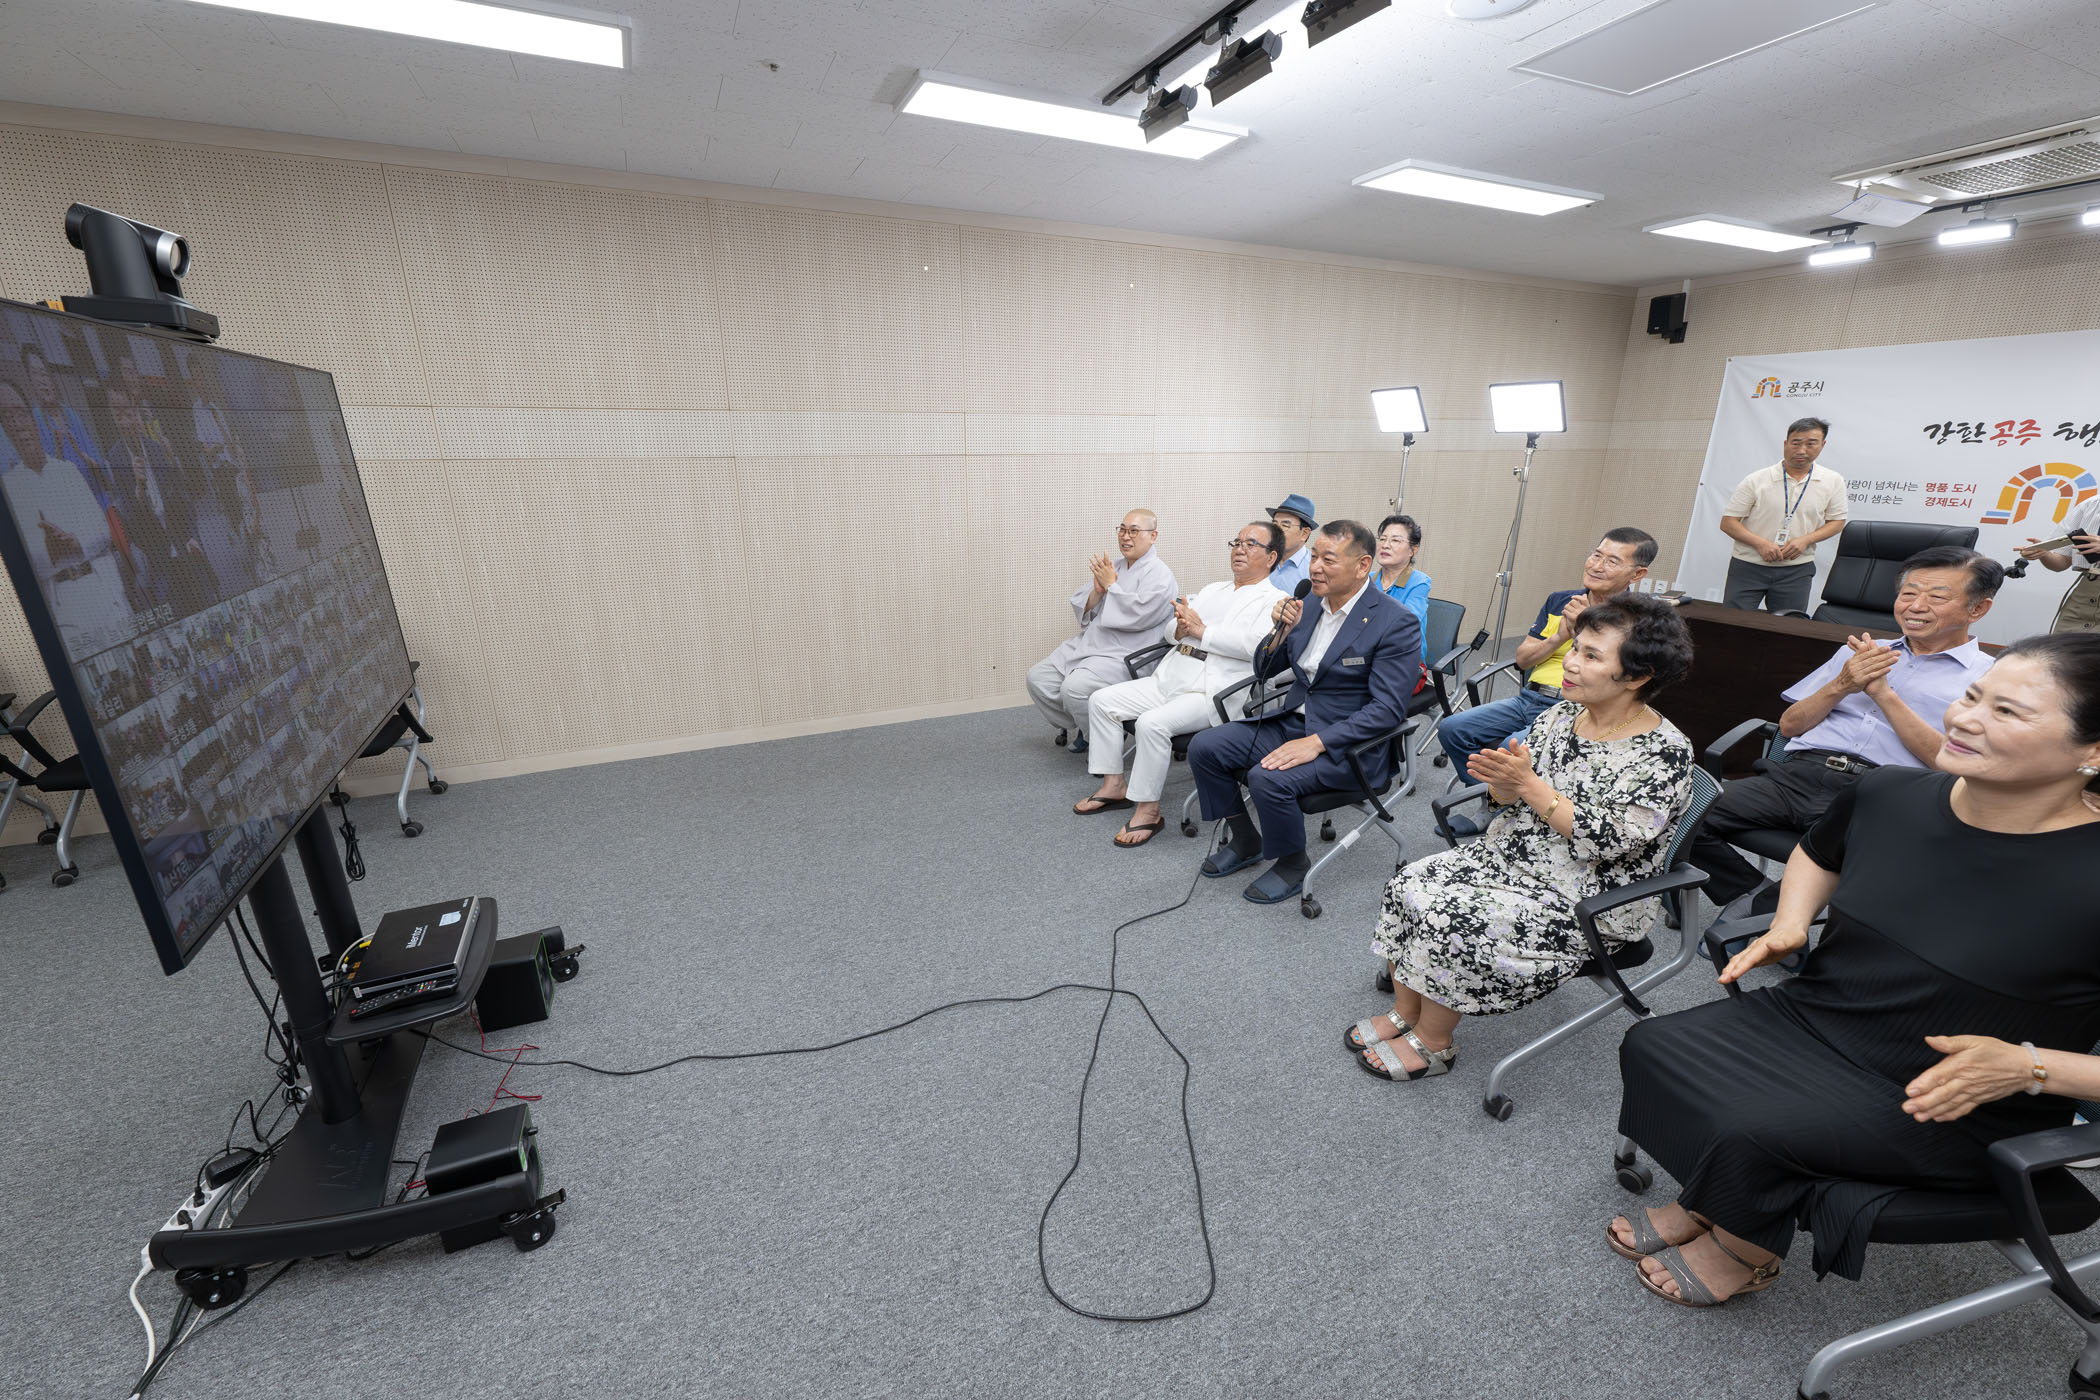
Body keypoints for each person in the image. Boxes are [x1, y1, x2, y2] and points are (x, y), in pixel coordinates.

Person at [1610, 633, 2100, 1305]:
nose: (1964, 718)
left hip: (1950, 1090)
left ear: (2092, 751)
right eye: (1972, 696)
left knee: (1758, 1128)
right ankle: (1713, 1197)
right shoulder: (1892, 793)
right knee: (1654, 1044)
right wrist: (1790, 921)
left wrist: (2029, 1067)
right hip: (1825, 1012)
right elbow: (1818, 852)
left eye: (2007, 712)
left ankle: (1743, 1245)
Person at [1348, 595, 1695, 1081]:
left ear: (1637, 677)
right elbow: (1511, 796)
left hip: (1589, 896)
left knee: (1455, 918)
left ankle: (1433, 1042)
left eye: (1591, 655)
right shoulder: (1562, 715)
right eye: (1575, 647)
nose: (1570, 662)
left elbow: (1609, 842)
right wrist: (1505, 786)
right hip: (1513, 857)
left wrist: (1529, 787)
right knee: (1410, 881)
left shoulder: (1663, 753)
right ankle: (1407, 1011)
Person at [1689, 546, 2001, 918]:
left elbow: (1948, 762)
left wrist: (1883, 694)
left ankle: (1766, 920)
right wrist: (1843, 683)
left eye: (1936, 597)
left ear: (1977, 609)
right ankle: (1753, 898)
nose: (1916, 606)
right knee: (1677, 811)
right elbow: (1789, 726)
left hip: (1883, 795)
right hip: (1796, 777)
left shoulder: (1989, 678)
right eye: (1908, 593)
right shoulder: (1862, 652)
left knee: (1870, 865)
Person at [1186, 520, 1419, 904]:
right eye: (1313, 557)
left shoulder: (1394, 622)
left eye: (1329, 559)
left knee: (1267, 777)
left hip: (1349, 746)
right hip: (1293, 721)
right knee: (1206, 746)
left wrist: (1317, 743)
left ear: (1363, 565)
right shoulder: (1309, 603)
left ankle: (1293, 864)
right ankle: (1246, 840)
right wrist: (1278, 631)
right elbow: (1264, 670)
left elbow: (1387, 710)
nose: (1315, 568)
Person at [1075, 521, 1288, 846]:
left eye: (1250, 544)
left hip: (1211, 689)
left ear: (1271, 557)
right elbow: (1170, 631)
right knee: (1102, 700)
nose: (1239, 550)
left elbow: (1255, 647)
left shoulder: (1275, 600)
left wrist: (1201, 631)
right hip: (1172, 674)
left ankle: (1148, 810)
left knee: (1151, 724)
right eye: (1236, 542)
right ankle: (1113, 785)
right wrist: (1180, 627)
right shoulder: (1213, 589)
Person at [1435, 527, 1655, 832]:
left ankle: (1512, 809)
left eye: (1612, 561)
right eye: (1596, 555)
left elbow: (1615, 676)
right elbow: (1523, 659)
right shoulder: (1560, 601)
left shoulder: (1636, 619)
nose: (1597, 566)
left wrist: (1584, 627)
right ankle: (1497, 802)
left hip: (1577, 706)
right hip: (1530, 696)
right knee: (1452, 729)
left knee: (1510, 751)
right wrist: (1560, 635)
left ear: (1638, 573)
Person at [0, 377, 134, 654]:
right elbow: (17, 566)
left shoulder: (67, 471)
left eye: (20, 413)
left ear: (33, 417)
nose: (18, 424)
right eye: (7, 417)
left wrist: (75, 542)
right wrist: (50, 553)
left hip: (105, 593)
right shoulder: (9, 489)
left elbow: (102, 532)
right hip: (64, 609)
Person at [1026, 510, 1177, 753]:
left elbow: (1139, 615)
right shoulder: (1113, 566)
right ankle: (1092, 725)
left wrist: (1111, 586)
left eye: (1134, 531)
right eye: (1122, 529)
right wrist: (1097, 592)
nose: (1125, 536)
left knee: (1073, 689)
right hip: (1093, 643)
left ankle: (1103, 738)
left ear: (1153, 536)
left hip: (1126, 652)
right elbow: (1084, 605)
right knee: (1038, 679)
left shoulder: (1161, 575)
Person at [1719, 418, 1848, 613]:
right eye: (1796, 443)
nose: (1801, 450)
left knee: (1788, 625)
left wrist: (1806, 540)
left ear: (1822, 445)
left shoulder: (1833, 481)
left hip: (1796, 570)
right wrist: (1760, 544)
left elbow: (1837, 522)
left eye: (1811, 443)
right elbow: (1728, 523)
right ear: (1786, 444)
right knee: (1733, 621)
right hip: (1748, 566)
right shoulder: (1756, 480)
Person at [2017, 495, 2100, 634]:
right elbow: (2061, 562)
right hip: (2084, 595)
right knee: (2062, 646)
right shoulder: (2091, 504)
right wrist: (2044, 553)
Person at [1368, 513, 1432, 664]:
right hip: (1367, 654)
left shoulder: (1419, 582)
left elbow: (1406, 625)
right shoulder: (1367, 579)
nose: (1385, 545)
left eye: (1395, 540)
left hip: (1402, 658)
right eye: (1382, 539)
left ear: (1413, 550)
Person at [1265, 493, 1318, 595]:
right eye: (1274, 524)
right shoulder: (1261, 560)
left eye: (1285, 525)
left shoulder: (1315, 569)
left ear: (1304, 533)